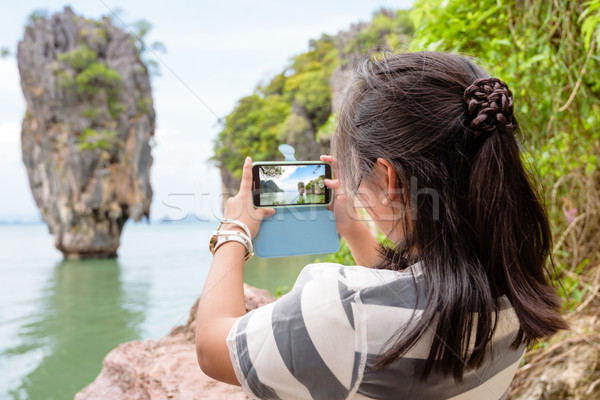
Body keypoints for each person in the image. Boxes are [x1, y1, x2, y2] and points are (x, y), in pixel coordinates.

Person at [195, 51, 568, 399]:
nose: (357, 189)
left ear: (389, 179)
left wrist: (235, 229)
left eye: (359, 173)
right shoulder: (515, 287)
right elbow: (409, 293)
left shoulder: (340, 308)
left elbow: (214, 349)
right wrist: (356, 231)